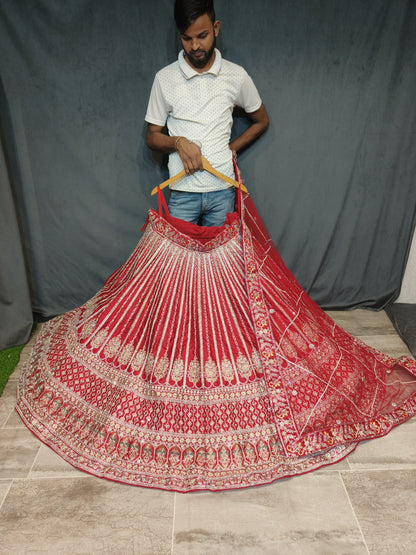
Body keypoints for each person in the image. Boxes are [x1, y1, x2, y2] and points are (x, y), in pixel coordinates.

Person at [145, 0, 269, 226]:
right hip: (182, 192)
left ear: (216, 28)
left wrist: (232, 148)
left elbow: (261, 121)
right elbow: (151, 137)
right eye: (186, 38)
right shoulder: (164, 79)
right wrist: (179, 142)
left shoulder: (236, 76)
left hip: (223, 191)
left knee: (221, 262)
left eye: (202, 36)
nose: (194, 46)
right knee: (178, 262)